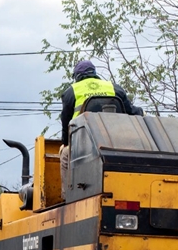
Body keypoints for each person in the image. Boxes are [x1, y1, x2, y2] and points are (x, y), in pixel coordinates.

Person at [59, 60, 142, 199]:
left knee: (65, 155)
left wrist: (66, 143)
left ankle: (67, 196)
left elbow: (65, 121)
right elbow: (132, 111)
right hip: (115, 142)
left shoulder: (71, 92)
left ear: (77, 76)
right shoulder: (114, 88)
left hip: (85, 145)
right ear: (95, 73)